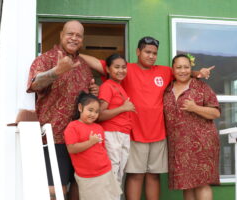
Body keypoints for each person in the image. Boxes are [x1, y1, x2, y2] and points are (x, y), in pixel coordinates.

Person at [80, 36, 214, 200]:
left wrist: (199, 73)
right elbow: (97, 63)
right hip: (135, 132)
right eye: (147, 52)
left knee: (153, 175)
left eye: (154, 53)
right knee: (135, 175)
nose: (151, 56)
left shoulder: (164, 71)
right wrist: (74, 53)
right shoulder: (125, 69)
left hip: (158, 133)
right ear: (138, 52)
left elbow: (183, 72)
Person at [26, 20, 98, 200]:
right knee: (55, 192)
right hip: (54, 137)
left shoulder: (83, 65)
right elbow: (34, 85)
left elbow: (87, 99)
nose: (74, 38)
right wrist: (56, 71)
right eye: (70, 34)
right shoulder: (46, 59)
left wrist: (93, 92)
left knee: (78, 186)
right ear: (61, 35)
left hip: (79, 139)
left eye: (78, 35)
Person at [163, 54, 220, 200]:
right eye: (179, 67)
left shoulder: (201, 87)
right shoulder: (167, 89)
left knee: (202, 183)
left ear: (191, 68)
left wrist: (195, 108)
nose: (183, 71)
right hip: (179, 146)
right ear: (173, 69)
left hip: (202, 142)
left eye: (186, 67)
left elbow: (215, 112)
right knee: (186, 184)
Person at [64, 91, 122, 200]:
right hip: (88, 176)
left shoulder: (98, 128)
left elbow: (102, 149)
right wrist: (90, 142)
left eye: (96, 112)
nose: (93, 114)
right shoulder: (73, 127)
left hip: (105, 172)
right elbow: (71, 148)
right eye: (90, 110)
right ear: (80, 108)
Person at [97, 54, 135, 194]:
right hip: (112, 133)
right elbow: (100, 114)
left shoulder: (119, 87)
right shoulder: (107, 86)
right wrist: (123, 108)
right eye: (117, 67)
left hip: (122, 134)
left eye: (124, 67)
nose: (121, 70)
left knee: (118, 175)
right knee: (112, 174)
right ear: (107, 69)